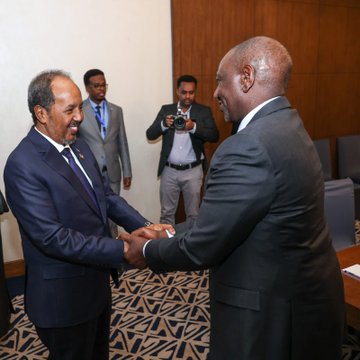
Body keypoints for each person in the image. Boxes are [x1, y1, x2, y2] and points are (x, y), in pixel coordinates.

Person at [122, 36, 345, 359]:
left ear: (246, 77)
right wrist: (170, 230)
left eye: (219, 81)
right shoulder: (289, 124)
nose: (215, 93)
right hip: (305, 299)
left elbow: (205, 244)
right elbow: (228, 216)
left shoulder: (248, 145)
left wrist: (149, 250)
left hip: (270, 315)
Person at [3, 70, 170, 360]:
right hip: (63, 301)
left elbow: (106, 197)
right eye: (70, 109)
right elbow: (53, 238)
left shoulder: (78, 145)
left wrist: (145, 226)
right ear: (41, 113)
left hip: (96, 285)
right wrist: (124, 249)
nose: (80, 116)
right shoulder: (22, 165)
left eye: (79, 107)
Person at [146, 75, 219, 225]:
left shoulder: (203, 111)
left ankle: (191, 248)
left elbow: (214, 135)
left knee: (193, 215)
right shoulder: (167, 110)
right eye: (184, 92)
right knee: (166, 214)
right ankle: (166, 247)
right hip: (169, 171)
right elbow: (150, 134)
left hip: (193, 171)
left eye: (191, 92)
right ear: (177, 92)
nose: (188, 96)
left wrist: (193, 127)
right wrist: (164, 124)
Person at [79, 68, 132, 237]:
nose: (101, 89)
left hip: (113, 171)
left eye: (104, 85)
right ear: (87, 88)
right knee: (94, 214)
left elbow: (122, 142)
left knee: (114, 214)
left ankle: (114, 253)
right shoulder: (79, 110)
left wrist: (127, 170)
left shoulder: (116, 110)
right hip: (90, 172)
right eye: (96, 86)